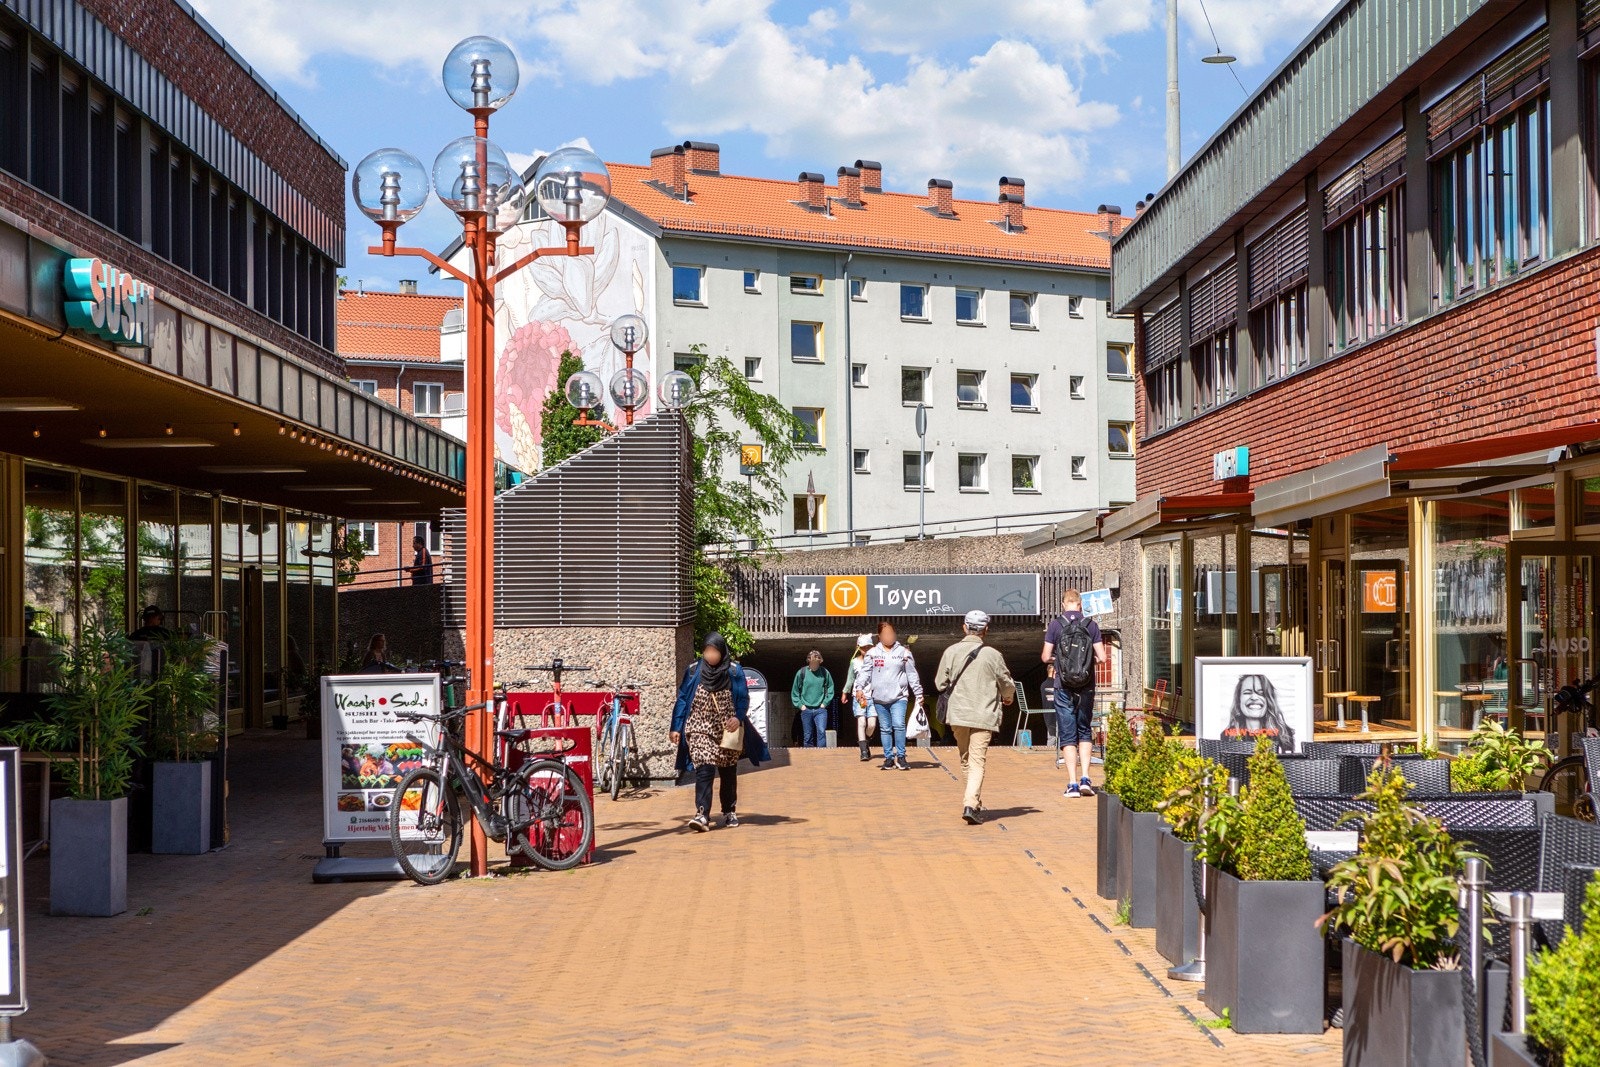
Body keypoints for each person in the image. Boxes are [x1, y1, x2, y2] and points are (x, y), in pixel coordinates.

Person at [671, 633, 769, 830]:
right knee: (704, 768)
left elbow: (743, 698)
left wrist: (738, 717)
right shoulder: (693, 671)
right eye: (707, 651)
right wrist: (676, 726)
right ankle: (702, 814)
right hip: (699, 727)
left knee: (727, 772)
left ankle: (729, 810)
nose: (711, 655)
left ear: (722, 651)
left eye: (715, 651)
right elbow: (682, 699)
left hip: (727, 728)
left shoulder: (734, 671)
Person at [935, 610, 1015, 824]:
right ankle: (970, 803)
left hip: (958, 714)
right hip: (983, 713)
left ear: (964, 627)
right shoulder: (993, 655)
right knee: (977, 760)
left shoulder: (950, 651)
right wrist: (1007, 697)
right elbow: (1006, 683)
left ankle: (972, 801)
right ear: (986, 630)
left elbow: (939, 683)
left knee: (965, 758)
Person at [1042, 589, 1107, 799]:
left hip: (1063, 685)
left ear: (1063, 604)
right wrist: (1087, 662)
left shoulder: (1055, 625)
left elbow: (1045, 657)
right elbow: (1103, 657)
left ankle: (1072, 783)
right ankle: (1086, 778)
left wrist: (1059, 661)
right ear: (1080, 605)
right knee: (1085, 730)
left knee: (1067, 733)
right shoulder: (1091, 625)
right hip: (1086, 685)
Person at [855, 620, 923, 771]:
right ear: (879, 637)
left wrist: (918, 693)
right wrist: (859, 688)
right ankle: (888, 758)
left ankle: (901, 756)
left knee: (898, 725)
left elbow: (912, 674)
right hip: (879, 697)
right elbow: (865, 672)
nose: (889, 636)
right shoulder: (872, 653)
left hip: (899, 696)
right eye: (885, 634)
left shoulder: (904, 653)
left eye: (891, 633)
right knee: (885, 728)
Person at [1221, 674, 1297, 753]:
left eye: (1261, 693)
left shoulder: (1283, 733)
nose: (1254, 697)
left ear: (1269, 699)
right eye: (1247, 693)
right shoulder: (1228, 735)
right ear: (1238, 699)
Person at [790, 650, 835, 749]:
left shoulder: (824, 672)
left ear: (820, 661)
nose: (814, 665)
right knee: (807, 735)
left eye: (817, 663)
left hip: (820, 709)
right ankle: (809, 757)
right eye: (812, 663)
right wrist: (801, 705)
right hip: (806, 709)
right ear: (808, 661)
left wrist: (825, 703)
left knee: (821, 731)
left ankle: (821, 755)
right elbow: (795, 691)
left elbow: (830, 688)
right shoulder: (801, 673)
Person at [842, 634, 875, 761]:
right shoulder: (854, 662)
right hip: (859, 696)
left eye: (869, 647)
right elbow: (850, 679)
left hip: (873, 697)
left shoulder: (876, 661)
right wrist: (845, 692)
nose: (866, 650)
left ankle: (866, 742)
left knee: (871, 725)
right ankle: (863, 751)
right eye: (863, 648)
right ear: (858, 648)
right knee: (861, 722)